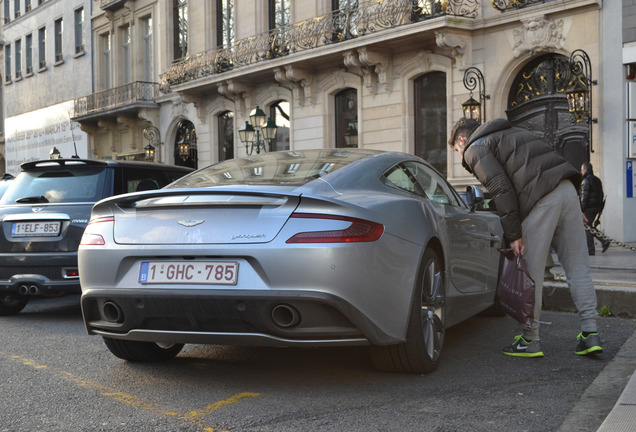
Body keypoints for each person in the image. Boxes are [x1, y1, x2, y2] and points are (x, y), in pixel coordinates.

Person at [448, 117, 602, 358]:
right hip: (567, 190)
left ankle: (530, 339)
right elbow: (552, 160)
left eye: (457, 150)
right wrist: (572, 205)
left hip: (540, 200)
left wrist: (513, 234)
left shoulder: (475, 148)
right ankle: (590, 333)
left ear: (462, 139)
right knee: (578, 268)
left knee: (531, 273)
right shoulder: (514, 131)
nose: (460, 157)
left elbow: (500, 188)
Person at [580, 162, 610, 255]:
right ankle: (604, 241)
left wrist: (582, 210)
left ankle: (591, 250)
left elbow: (585, 197)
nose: (581, 172)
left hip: (588, 208)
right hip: (596, 207)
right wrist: (600, 209)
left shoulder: (586, 180)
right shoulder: (597, 180)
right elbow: (601, 194)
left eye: (581, 170)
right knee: (589, 227)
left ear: (585, 170)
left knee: (587, 228)